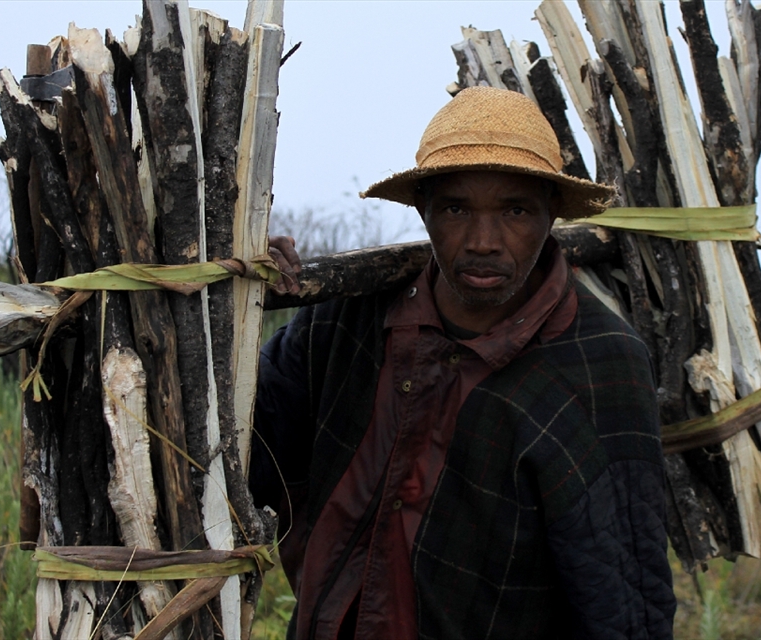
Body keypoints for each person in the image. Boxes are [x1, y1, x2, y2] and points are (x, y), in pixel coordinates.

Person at [253, 87, 676, 640]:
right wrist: (235, 288)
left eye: (515, 211)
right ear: (424, 209)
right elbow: (241, 440)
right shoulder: (348, 321)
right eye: (456, 208)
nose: (482, 241)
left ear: (551, 213)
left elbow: (620, 588)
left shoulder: (598, 359)